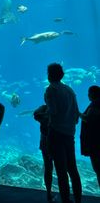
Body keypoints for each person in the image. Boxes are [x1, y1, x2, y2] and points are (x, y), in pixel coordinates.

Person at [44, 63, 82, 203]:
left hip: (56, 133)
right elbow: (76, 115)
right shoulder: (70, 90)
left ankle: (66, 200)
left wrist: (43, 116)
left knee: (61, 170)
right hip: (69, 134)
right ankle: (78, 200)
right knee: (72, 169)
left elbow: (53, 111)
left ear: (49, 75)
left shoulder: (50, 90)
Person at [34, 105, 56, 202]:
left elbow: (36, 115)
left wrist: (46, 115)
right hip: (55, 141)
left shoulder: (45, 108)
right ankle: (51, 193)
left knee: (48, 167)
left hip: (49, 141)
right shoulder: (48, 108)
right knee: (55, 168)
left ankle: (49, 193)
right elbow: (36, 114)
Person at [80, 85, 100, 187]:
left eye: (89, 93)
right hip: (96, 142)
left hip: (95, 143)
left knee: (98, 168)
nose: (88, 95)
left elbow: (88, 118)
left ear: (93, 94)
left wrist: (78, 113)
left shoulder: (95, 105)